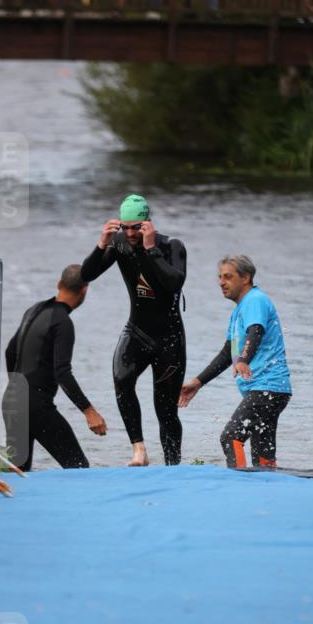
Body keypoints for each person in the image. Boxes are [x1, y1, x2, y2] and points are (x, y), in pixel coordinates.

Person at [81, 195, 186, 467]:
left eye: (136, 227)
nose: (130, 233)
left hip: (169, 339)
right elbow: (86, 275)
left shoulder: (171, 246)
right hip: (137, 330)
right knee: (122, 378)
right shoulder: (119, 245)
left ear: (147, 223)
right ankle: (139, 450)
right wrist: (101, 244)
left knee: (166, 411)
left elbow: (174, 283)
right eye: (125, 228)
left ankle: (173, 465)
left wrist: (151, 249)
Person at [179, 256, 292, 470]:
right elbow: (226, 353)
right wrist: (198, 382)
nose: (221, 282)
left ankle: (238, 484)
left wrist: (243, 359)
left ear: (245, 278)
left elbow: (255, 331)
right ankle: (268, 482)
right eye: (220, 277)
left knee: (231, 437)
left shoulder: (254, 300)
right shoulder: (239, 310)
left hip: (267, 388)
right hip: (270, 391)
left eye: (228, 277)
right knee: (262, 450)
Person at [2, 265, 107, 471]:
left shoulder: (34, 310)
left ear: (59, 284)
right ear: (84, 290)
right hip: (36, 405)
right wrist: (89, 411)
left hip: (12, 400)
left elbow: (10, 352)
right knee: (78, 468)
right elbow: (63, 372)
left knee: (19, 471)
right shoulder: (63, 323)